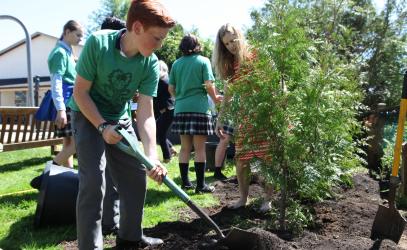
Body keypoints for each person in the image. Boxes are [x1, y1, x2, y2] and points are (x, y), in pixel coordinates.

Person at [69, 1, 175, 249]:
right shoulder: (98, 43)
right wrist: (102, 127)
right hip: (87, 115)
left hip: (120, 117)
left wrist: (151, 156)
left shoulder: (149, 62)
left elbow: (146, 112)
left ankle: (129, 239)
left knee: (136, 178)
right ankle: (90, 245)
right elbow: (80, 93)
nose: (160, 45)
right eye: (157, 38)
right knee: (94, 182)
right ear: (137, 27)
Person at [212, 23, 273, 212]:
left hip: (264, 114)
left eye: (233, 40)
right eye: (226, 44)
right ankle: (243, 199)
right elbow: (228, 94)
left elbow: (273, 80)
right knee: (241, 160)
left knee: (266, 159)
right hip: (245, 116)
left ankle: (267, 200)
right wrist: (220, 118)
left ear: (240, 35)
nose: (231, 45)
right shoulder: (229, 64)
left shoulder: (257, 55)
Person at [169, 34, 223, 194]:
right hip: (199, 109)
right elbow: (208, 84)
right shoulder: (203, 61)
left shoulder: (176, 64)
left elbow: (170, 88)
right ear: (197, 45)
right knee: (199, 148)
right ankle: (200, 186)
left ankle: (185, 184)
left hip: (181, 109)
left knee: (185, 148)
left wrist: (179, 98)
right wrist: (215, 98)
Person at [48, 20, 83, 168]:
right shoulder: (60, 53)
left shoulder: (67, 52)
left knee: (68, 143)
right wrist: (61, 109)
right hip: (67, 103)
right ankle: (49, 171)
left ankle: (68, 175)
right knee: (76, 143)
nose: (80, 39)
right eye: (78, 35)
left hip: (70, 101)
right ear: (67, 32)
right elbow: (57, 83)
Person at [154, 60, 177, 163]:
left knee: (160, 134)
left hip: (167, 110)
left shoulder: (161, 80)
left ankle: (167, 157)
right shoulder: (166, 78)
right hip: (170, 109)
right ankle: (171, 149)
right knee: (159, 132)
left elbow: (156, 96)